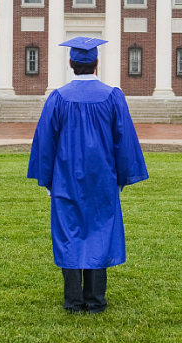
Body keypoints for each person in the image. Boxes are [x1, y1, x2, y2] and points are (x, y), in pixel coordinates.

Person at [27, 37, 149, 313]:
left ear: (71, 64)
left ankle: (73, 300)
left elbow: (45, 142)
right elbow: (124, 139)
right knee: (99, 231)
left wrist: (47, 179)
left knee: (70, 232)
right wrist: (122, 177)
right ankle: (95, 300)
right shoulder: (113, 96)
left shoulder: (58, 98)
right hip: (103, 178)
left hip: (65, 178)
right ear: (96, 64)